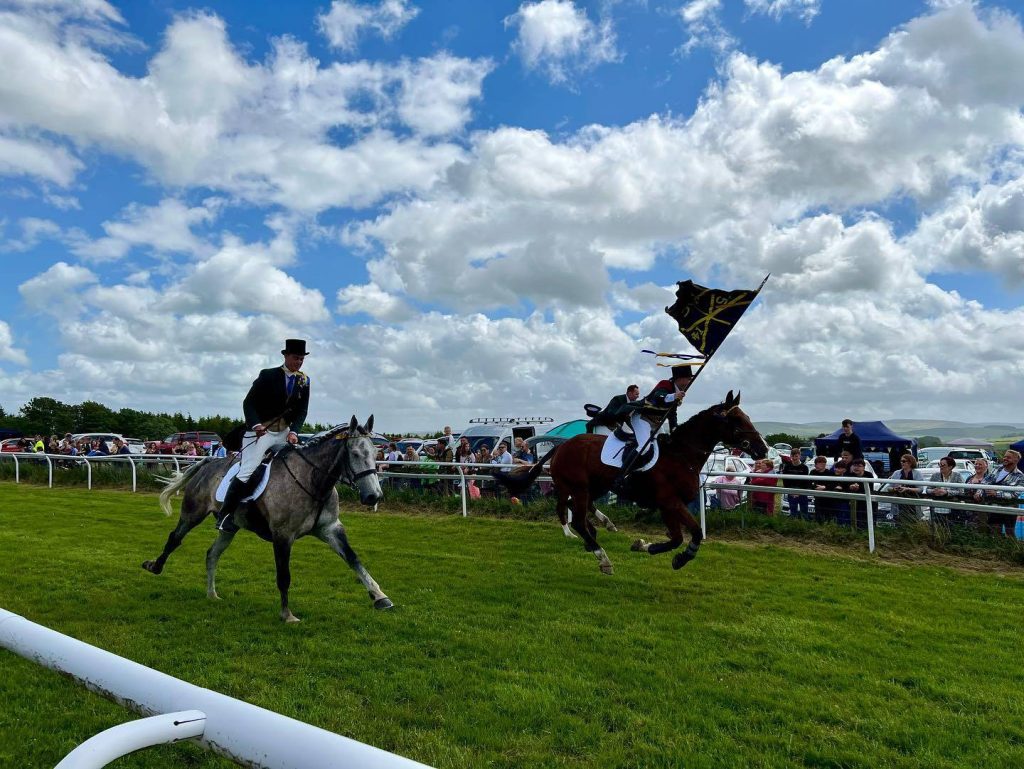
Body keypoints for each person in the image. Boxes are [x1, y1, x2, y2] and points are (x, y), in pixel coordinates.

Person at [215, 339, 311, 533]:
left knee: (297, 464)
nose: (299, 362)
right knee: (248, 469)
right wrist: (256, 424)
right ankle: (225, 515)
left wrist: (294, 432)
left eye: (301, 359)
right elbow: (248, 403)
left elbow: (302, 411)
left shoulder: (304, 380)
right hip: (261, 432)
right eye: (295, 358)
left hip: (283, 433)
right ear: (285, 356)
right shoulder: (267, 375)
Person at [614, 365, 695, 492]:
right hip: (642, 419)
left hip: (655, 423)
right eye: (689, 379)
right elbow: (658, 397)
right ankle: (620, 477)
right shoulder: (665, 385)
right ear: (680, 379)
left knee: (665, 445)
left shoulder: (677, 393)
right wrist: (674, 396)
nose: (690, 382)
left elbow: (672, 414)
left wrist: (675, 430)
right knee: (644, 447)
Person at [882, 453, 924, 523]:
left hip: (913, 504)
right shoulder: (896, 473)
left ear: (910, 462)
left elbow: (920, 489)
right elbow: (888, 487)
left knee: (913, 522)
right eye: (901, 461)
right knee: (898, 522)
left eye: (904, 461)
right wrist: (894, 489)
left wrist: (907, 489)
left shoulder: (917, 473)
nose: (902, 463)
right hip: (898, 503)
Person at [780, 447, 810, 520]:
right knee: (793, 510)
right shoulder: (787, 467)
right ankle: (793, 524)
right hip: (791, 491)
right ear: (790, 456)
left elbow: (805, 482)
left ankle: (805, 524)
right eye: (792, 456)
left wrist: (799, 492)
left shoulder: (805, 467)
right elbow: (785, 481)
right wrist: (791, 491)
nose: (794, 458)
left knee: (804, 510)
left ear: (799, 456)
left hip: (802, 492)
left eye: (796, 456)